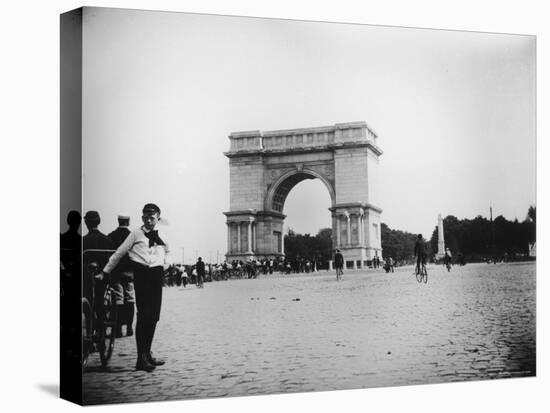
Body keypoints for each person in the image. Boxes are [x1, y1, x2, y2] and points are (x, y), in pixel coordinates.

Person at [102, 203, 171, 372]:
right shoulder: (135, 234)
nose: (148, 220)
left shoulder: (163, 234)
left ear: (158, 218)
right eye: (145, 217)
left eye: (152, 218)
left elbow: (169, 251)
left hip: (156, 275)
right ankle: (141, 358)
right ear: (142, 218)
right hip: (141, 275)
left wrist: (165, 264)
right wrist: (105, 271)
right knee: (144, 316)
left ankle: (147, 353)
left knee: (154, 316)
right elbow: (119, 252)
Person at [108, 214, 136, 337]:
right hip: (129, 273)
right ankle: (129, 328)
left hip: (116, 273)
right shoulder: (133, 236)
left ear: (118, 221)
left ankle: (118, 329)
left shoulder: (111, 236)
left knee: (118, 299)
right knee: (130, 298)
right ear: (128, 222)